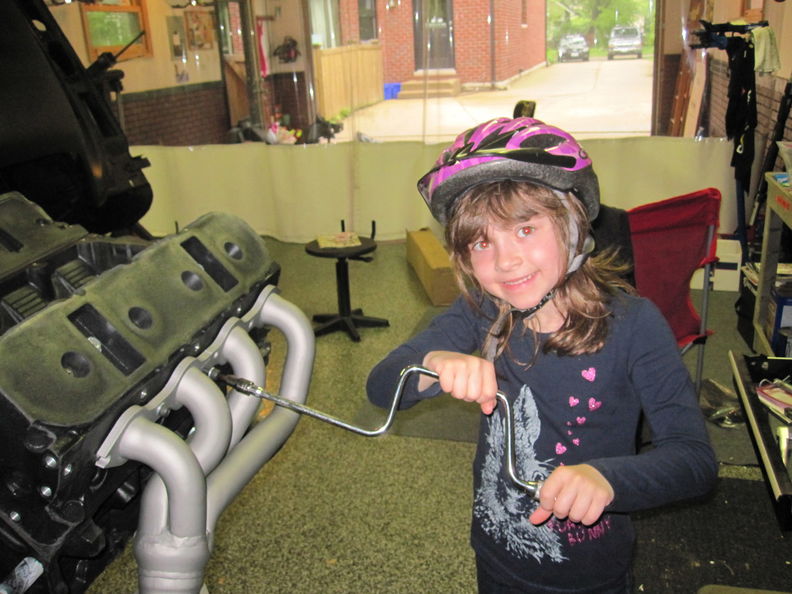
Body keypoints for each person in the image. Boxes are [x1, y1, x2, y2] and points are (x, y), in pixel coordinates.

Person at [366, 117, 718, 593]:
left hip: (589, 576)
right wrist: (431, 364)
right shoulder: (482, 310)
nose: (505, 260)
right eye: (482, 242)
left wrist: (607, 478)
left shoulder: (635, 325)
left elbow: (694, 460)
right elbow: (380, 385)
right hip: (495, 557)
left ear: (572, 227)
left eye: (525, 229)